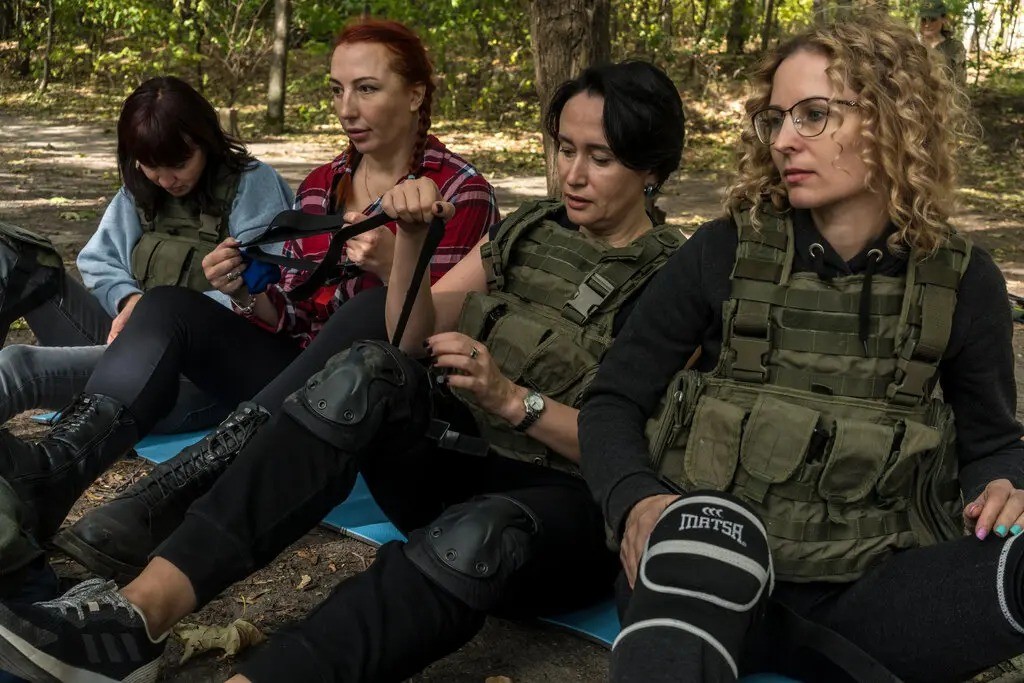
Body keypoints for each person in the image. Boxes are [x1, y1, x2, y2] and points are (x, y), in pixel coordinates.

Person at [0, 59, 687, 683]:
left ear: (652, 166)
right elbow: (411, 332)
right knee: (366, 366)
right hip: (459, 458)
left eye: (599, 157)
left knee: (476, 532)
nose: (571, 173)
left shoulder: (677, 279)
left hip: (560, 511)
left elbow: (646, 456)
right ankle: (135, 620)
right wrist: (412, 244)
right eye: (565, 149)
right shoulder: (530, 230)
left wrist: (516, 402)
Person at [576, 11, 1024, 683]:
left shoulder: (964, 281)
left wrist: (1005, 485)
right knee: (703, 543)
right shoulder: (723, 251)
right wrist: (637, 500)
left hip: (875, 590)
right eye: (776, 118)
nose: (785, 139)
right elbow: (611, 399)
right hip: (711, 572)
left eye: (813, 114)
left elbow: (991, 439)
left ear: (891, 118)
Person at [0, 18, 497, 556]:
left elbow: (434, 343)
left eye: (367, 89)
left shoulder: (458, 193)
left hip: (377, 398)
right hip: (289, 372)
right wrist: (242, 291)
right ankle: (57, 474)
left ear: (416, 94)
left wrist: (393, 267)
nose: (347, 109)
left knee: (372, 309)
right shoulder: (321, 185)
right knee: (169, 305)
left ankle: (166, 497)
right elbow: (293, 314)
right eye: (337, 90)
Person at [0, 76, 293, 436]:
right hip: (123, 347)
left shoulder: (252, 184)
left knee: (17, 366)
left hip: (194, 379)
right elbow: (97, 260)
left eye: (179, 163)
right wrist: (130, 300)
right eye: (151, 165)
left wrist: (154, 320)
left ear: (206, 141)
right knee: (12, 260)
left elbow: (276, 293)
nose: (166, 179)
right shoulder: (141, 186)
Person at [920, 0, 967, 87]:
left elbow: (959, 82)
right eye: (924, 20)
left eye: (932, 19)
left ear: (943, 19)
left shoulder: (954, 47)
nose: (927, 24)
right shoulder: (914, 45)